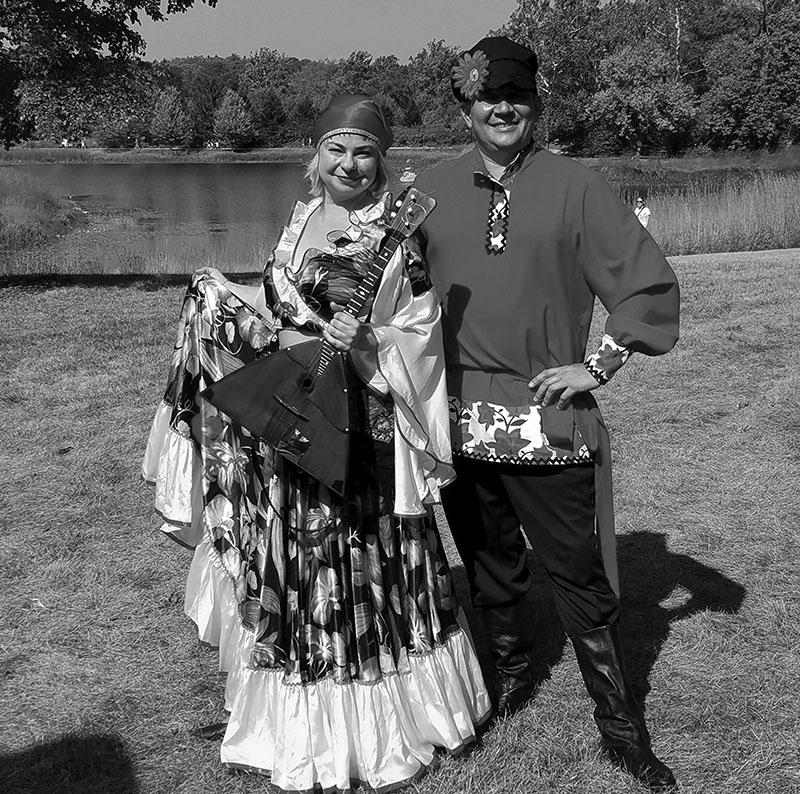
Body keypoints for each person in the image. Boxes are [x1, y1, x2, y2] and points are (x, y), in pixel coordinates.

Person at [142, 93, 491, 793]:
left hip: (358, 429)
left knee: (352, 570)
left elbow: (420, 334)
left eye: (364, 151)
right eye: (337, 148)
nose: (350, 164)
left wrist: (368, 339)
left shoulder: (397, 235)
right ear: (318, 153)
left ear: (382, 158)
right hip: (294, 424)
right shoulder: (304, 217)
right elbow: (281, 305)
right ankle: (297, 724)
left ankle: (374, 731)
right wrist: (226, 293)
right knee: (299, 568)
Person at [412, 38, 680, 791]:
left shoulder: (576, 188)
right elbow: (385, 295)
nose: (503, 108)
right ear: (465, 105)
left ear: (536, 103)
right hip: (459, 423)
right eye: (487, 96)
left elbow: (645, 285)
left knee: (579, 578)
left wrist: (597, 365)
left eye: (517, 95)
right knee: (490, 566)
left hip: (549, 422)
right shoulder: (425, 193)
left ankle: (620, 730)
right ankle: (506, 691)